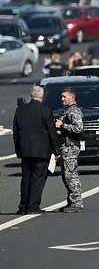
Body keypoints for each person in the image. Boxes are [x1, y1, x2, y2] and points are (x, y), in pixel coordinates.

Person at [13, 86, 60, 214]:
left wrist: (17, 149)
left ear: (31, 95)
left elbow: (16, 132)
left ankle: (23, 206)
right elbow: (52, 132)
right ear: (42, 96)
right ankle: (33, 206)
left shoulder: (20, 110)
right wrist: (56, 150)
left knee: (26, 178)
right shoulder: (45, 111)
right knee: (38, 179)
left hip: (25, 150)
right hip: (41, 151)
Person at [55, 87, 84, 212]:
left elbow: (78, 128)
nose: (62, 99)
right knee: (66, 175)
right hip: (65, 146)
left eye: (64, 97)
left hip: (71, 146)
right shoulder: (67, 111)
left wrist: (62, 125)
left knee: (70, 175)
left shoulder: (74, 111)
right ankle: (71, 201)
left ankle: (77, 203)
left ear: (71, 98)